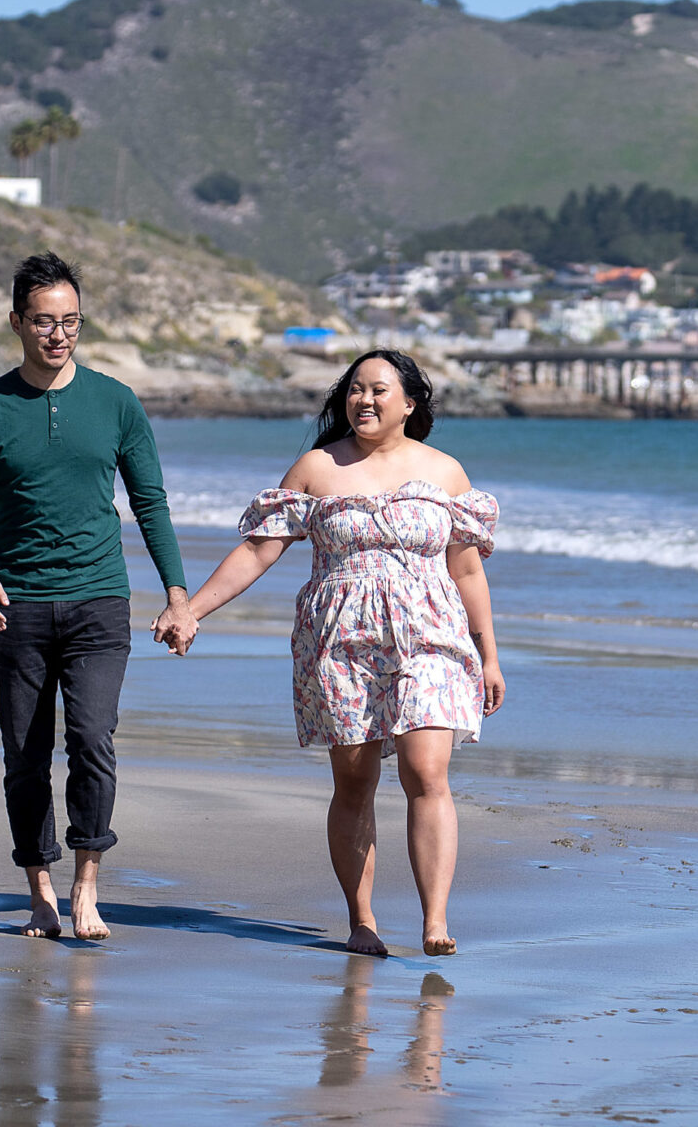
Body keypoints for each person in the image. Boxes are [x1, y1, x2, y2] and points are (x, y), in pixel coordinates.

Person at [184, 349, 504, 957]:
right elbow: (258, 551)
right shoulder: (317, 467)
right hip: (340, 644)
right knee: (354, 781)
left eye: (379, 390)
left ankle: (435, 921)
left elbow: (466, 572)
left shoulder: (446, 474)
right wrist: (191, 610)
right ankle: (363, 921)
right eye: (355, 389)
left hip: (429, 638)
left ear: (410, 404)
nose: (364, 400)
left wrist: (488, 655)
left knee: (426, 770)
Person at [0, 251, 198, 940]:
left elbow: (150, 502)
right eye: (45, 322)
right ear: (17, 322)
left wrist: (178, 595)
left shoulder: (115, 402)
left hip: (98, 602)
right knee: (25, 755)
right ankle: (40, 891)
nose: (59, 335)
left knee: (91, 739)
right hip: (15, 604)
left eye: (71, 322)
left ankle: (87, 885)